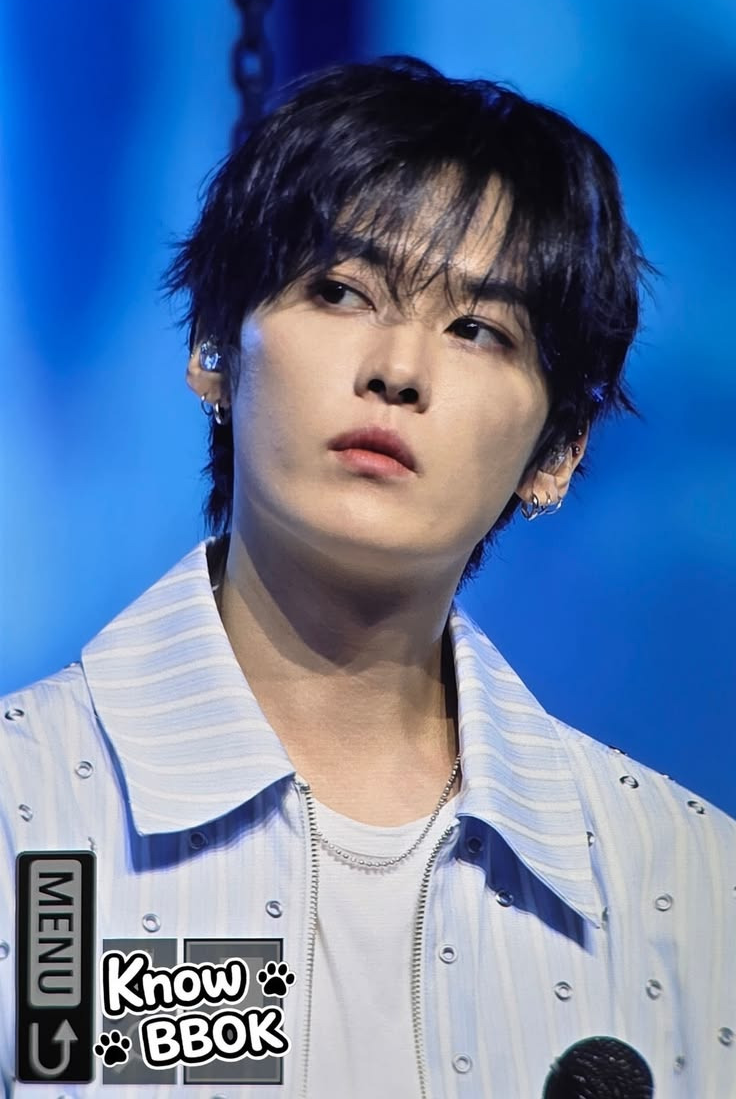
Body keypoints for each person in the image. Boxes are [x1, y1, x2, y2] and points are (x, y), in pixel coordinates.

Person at [1, 56, 733, 1099]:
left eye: (478, 330)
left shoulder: (691, 887)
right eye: (342, 291)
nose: (398, 369)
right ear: (214, 345)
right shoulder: (26, 811)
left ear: (559, 451)